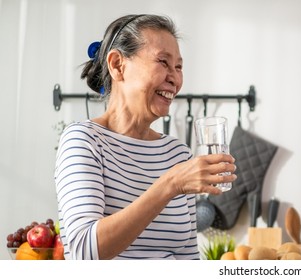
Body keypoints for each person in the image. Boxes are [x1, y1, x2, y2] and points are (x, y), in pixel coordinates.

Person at [54, 14, 237, 260]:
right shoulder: (84, 141)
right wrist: (170, 184)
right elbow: (83, 252)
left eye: (179, 66)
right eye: (163, 61)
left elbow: (188, 256)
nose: (175, 78)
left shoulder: (178, 153)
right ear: (118, 65)